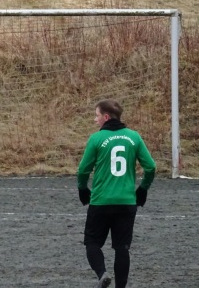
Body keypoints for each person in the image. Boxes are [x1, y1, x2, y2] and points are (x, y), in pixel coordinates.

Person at [77, 99, 156, 288]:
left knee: (92, 242)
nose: (95, 120)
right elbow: (151, 167)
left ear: (105, 117)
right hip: (127, 202)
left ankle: (102, 274)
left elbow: (82, 171)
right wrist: (143, 188)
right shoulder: (134, 137)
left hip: (101, 201)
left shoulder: (96, 139)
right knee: (122, 247)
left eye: (96, 116)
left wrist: (82, 188)